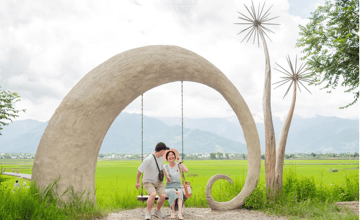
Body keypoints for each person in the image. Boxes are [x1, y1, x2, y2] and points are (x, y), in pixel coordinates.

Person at [136, 142, 171, 220]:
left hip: (158, 181)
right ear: (161, 150)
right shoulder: (148, 159)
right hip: (148, 181)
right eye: (164, 151)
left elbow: (162, 168)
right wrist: (138, 182)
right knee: (153, 194)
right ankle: (148, 213)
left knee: (162, 196)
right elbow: (139, 170)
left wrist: (167, 176)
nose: (165, 153)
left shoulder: (160, 158)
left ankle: (157, 210)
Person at [163, 149, 189, 220]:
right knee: (174, 192)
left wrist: (180, 162)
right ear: (167, 158)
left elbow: (186, 170)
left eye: (172, 155)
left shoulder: (178, 165)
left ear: (175, 157)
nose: (171, 156)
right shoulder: (165, 167)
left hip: (178, 186)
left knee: (179, 192)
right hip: (168, 187)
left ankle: (179, 214)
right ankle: (173, 212)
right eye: (169, 155)